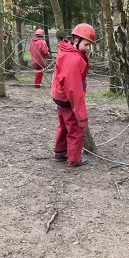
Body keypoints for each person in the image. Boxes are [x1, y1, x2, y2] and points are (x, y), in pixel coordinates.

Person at [51, 23, 96, 167]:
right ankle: (75, 159)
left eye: (89, 45)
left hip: (60, 96)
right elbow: (74, 89)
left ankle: (61, 152)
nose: (88, 48)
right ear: (76, 41)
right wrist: (81, 116)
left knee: (64, 125)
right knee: (76, 128)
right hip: (68, 99)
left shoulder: (67, 51)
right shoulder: (73, 59)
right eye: (86, 45)